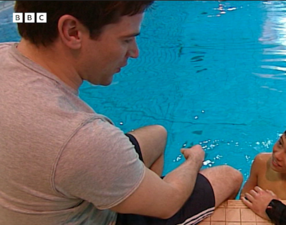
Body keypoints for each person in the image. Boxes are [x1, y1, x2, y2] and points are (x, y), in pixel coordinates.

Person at [0, 1, 243, 225]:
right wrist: (195, 160)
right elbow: (170, 202)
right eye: (126, 40)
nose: (134, 52)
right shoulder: (81, 137)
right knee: (229, 176)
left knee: (157, 134)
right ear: (73, 32)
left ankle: (138, 193)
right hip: (102, 215)